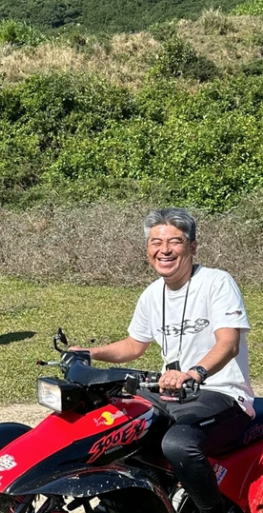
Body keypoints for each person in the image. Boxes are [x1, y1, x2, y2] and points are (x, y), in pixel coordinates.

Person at [73, 208, 253, 513]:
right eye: (156, 242)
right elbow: (133, 345)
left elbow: (228, 343)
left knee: (178, 444)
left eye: (175, 241)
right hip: (170, 393)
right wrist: (89, 353)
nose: (164, 249)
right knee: (106, 422)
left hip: (222, 394)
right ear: (148, 249)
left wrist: (195, 373)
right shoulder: (152, 294)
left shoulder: (217, 283)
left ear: (192, 247)